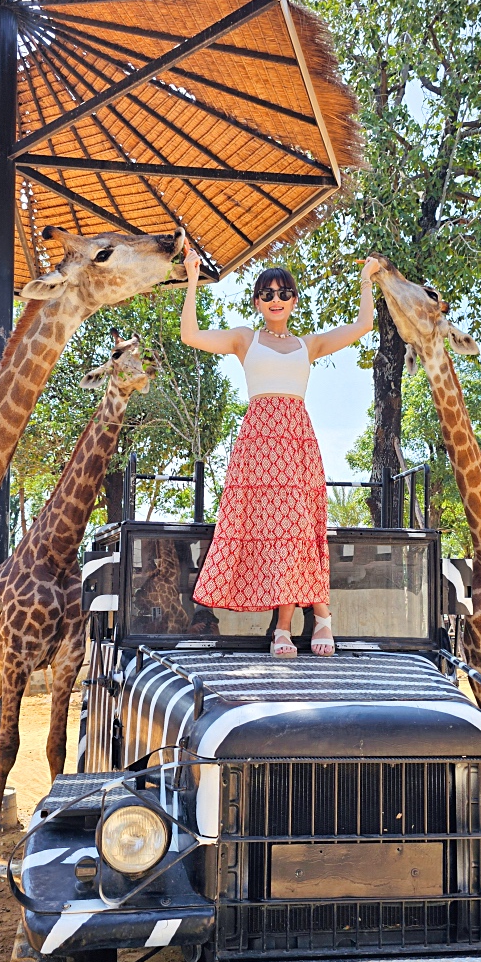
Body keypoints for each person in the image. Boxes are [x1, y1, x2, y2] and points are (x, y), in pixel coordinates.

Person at [180, 248, 380, 657]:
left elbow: (364, 324)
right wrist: (191, 280)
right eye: (267, 292)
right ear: (256, 301)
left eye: (283, 292)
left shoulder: (310, 344)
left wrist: (367, 279)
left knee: (298, 529)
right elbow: (191, 336)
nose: (275, 298)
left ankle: (298, 623)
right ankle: (305, 619)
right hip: (257, 443)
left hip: (296, 442)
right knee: (273, 532)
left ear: (293, 300)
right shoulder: (244, 339)